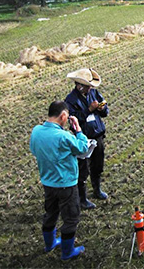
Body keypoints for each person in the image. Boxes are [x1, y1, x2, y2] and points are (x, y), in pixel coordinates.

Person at [30, 100, 88, 260]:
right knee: (71, 218)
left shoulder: (36, 131)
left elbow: (34, 150)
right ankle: (67, 252)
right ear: (63, 115)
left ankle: (49, 244)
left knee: (51, 213)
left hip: (48, 183)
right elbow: (82, 148)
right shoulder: (63, 136)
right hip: (66, 185)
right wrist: (78, 130)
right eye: (67, 116)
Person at [65, 68, 109, 209]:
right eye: (88, 86)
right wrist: (88, 109)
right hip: (83, 139)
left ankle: (97, 190)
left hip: (98, 135)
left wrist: (102, 109)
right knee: (83, 170)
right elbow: (73, 121)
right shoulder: (70, 100)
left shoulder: (94, 93)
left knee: (97, 165)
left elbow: (105, 111)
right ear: (79, 86)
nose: (90, 88)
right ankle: (82, 199)